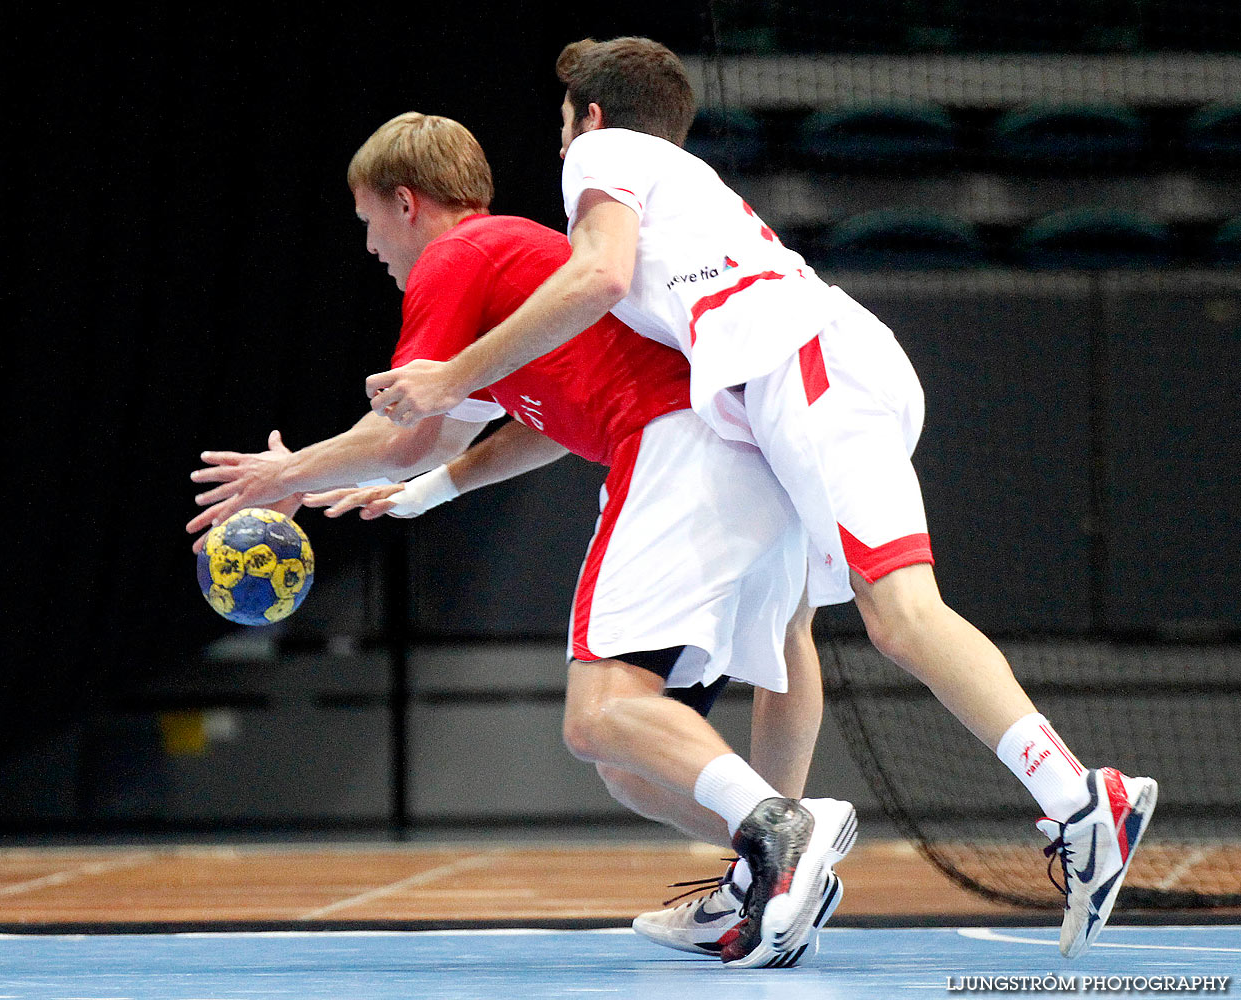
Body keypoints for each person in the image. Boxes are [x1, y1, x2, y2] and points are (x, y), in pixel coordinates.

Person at [360, 41, 1158, 961]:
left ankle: (1078, 798)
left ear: (589, 116)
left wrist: (449, 376)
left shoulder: (602, 157)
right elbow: (555, 379)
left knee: (899, 615)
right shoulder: (676, 182)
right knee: (791, 635)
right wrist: (432, 476)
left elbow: (600, 277)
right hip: (807, 376)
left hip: (797, 361)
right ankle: (769, 872)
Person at [187, 111, 852, 969]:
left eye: (368, 224)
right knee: (631, 761)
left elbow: (408, 430)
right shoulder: (515, 262)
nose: (370, 248)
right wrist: (422, 493)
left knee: (597, 715)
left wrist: (284, 478)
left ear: (405, 201)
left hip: (681, 444)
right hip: (744, 448)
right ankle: (776, 866)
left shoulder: (459, 258)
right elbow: (511, 423)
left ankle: (778, 830)